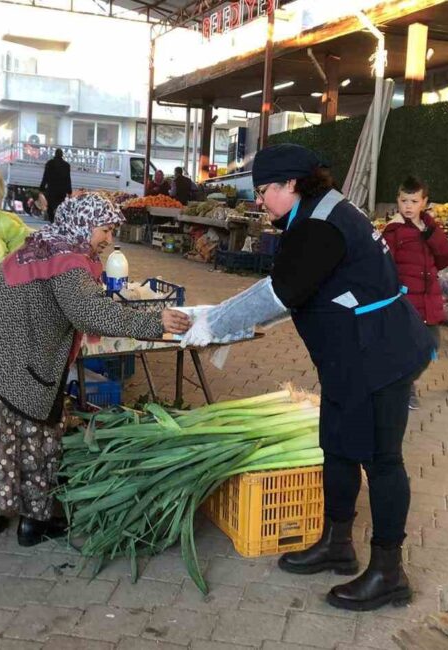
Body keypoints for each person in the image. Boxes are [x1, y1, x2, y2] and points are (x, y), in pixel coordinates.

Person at [180, 143, 433, 611]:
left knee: (381, 461)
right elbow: (292, 290)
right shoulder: (314, 212)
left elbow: (281, 292)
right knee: (336, 446)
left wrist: (212, 324)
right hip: (346, 357)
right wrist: (219, 316)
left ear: (291, 185)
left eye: (264, 190)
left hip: (378, 354)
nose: (260, 199)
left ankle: (388, 572)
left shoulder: (320, 224)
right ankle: (337, 543)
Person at [0, 193, 191, 548]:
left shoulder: (47, 243)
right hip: (5, 351)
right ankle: (34, 524)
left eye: (111, 229)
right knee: (36, 429)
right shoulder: (69, 260)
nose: (108, 239)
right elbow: (90, 314)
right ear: (82, 224)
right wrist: (156, 321)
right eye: (104, 229)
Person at [382, 177, 448, 410]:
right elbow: (385, 265)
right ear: (398, 201)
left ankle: (405, 382)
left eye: (414, 201)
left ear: (424, 202)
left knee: (431, 344)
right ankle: (406, 388)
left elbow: (445, 257)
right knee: (405, 347)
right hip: (406, 302)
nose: (408, 206)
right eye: (404, 201)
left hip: (429, 300)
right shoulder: (392, 231)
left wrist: (430, 233)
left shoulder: (431, 227)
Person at [39, 148, 72, 222]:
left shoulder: (49, 163)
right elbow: (68, 179)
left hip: (51, 189)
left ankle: (52, 221)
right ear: (62, 155)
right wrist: (69, 191)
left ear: (55, 154)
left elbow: (45, 176)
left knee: (50, 206)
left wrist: (42, 188)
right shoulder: (66, 165)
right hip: (61, 191)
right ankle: (58, 220)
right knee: (60, 206)